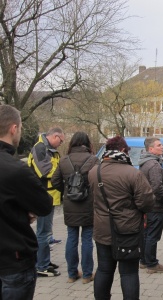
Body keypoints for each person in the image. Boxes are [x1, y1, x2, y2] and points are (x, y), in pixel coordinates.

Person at [88, 136, 155, 300]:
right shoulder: (133, 173)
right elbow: (147, 202)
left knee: (104, 269)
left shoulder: (93, 172)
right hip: (127, 231)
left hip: (102, 230)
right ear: (123, 151)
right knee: (129, 273)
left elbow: (92, 198)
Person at [0, 105, 53, 299]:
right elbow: (44, 205)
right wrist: (25, 211)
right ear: (14, 128)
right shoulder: (15, 169)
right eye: (21, 128)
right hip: (13, 260)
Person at [51, 132, 100, 284]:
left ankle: (72, 274)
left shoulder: (64, 160)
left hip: (70, 204)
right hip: (87, 204)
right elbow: (98, 181)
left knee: (71, 238)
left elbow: (55, 181)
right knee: (87, 239)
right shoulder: (93, 160)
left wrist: (66, 192)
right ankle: (87, 274)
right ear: (87, 143)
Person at [28, 127, 65, 277]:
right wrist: (61, 169)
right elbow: (45, 171)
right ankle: (41, 266)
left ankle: (44, 261)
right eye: (60, 140)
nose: (61, 144)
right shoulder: (40, 148)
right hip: (42, 196)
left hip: (50, 195)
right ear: (54, 136)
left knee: (46, 232)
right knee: (43, 233)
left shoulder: (48, 149)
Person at [138, 137, 163, 274]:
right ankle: (152, 264)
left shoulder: (144, 163)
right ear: (151, 149)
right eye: (158, 145)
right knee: (153, 234)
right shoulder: (154, 165)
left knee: (146, 233)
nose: (162, 147)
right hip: (155, 206)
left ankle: (144, 260)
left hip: (146, 204)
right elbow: (157, 187)